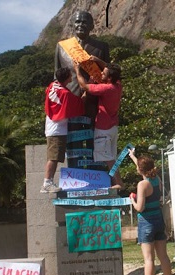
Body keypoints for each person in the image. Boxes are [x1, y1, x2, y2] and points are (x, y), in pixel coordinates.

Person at [55, 10, 110, 167]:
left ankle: (97, 172)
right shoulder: (62, 47)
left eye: (85, 22)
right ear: (72, 25)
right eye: (78, 22)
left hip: (94, 100)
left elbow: (108, 74)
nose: (81, 25)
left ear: (92, 26)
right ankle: (75, 173)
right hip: (71, 100)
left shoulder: (102, 47)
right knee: (73, 138)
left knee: (95, 136)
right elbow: (56, 77)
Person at [74, 57, 124, 189]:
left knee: (107, 157)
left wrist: (77, 70)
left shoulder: (105, 89)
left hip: (104, 127)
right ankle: (117, 182)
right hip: (113, 126)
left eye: (103, 73)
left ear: (109, 78)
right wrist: (97, 60)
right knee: (111, 156)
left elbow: (83, 86)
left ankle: (118, 183)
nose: (101, 73)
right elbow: (111, 68)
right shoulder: (117, 85)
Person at [128, 149, 173, 275]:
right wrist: (133, 156)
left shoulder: (142, 185)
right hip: (159, 220)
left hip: (146, 222)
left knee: (148, 258)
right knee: (163, 256)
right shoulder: (156, 179)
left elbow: (140, 208)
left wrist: (132, 200)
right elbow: (143, 167)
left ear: (140, 170)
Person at [41, 67, 84, 193]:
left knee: (53, 156)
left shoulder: (53, 85)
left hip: (51, 125)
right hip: (57, 129)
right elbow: (78, 104)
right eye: (70, 76)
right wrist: (85, 94)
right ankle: (47, 183)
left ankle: (47, 182)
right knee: (53, 158)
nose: (72, 78)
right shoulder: (64, 94)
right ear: (67, 78)